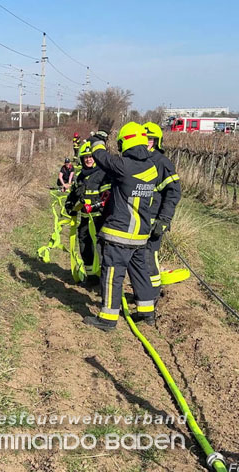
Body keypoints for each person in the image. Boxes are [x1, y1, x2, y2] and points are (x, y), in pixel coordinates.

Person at [83, 122, 159, 331]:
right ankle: (147, 312)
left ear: (125, 142)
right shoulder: (151, 168)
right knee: (140, 273)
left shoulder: (123, 165)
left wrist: (98, 138)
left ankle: (108, 319)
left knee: (112, 275)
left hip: (120, 233)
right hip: (141, 234)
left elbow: (100, 156)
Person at [142, 122, 181, 294]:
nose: (147, 142)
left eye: (150, 139)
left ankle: (153, 294)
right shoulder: (136, 160)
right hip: (137, 220)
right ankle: (142, 293)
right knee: (137, 260)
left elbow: (174, 192)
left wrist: (164, 219)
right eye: (144, 138)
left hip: (153, 221)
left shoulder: (162, 163)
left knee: (148, 256)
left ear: (157, 141)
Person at [65, 142, 111, 279]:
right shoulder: (80, 176)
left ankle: (103, 278)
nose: (88, 159)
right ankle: (91, 277)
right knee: (84, 245)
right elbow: (73, 194)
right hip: (85, 219)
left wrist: (96, 205)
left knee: (100, 248)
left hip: (100, 220)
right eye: (85, 157)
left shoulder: (103, 174)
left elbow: (108, 196)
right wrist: (70, 204)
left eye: (91, 156)